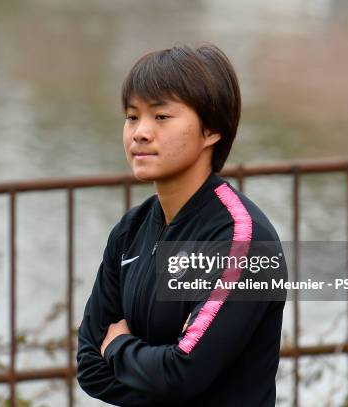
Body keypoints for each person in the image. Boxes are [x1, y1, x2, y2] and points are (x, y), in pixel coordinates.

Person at [76, 44, 286, 406]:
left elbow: (183, 372)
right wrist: (162, 375)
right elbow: (90, 367)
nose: (140, 132)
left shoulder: (242, 241)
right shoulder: (130, 231)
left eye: (161, 117)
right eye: (131, 116)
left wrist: (121, 346)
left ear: (212, 130)